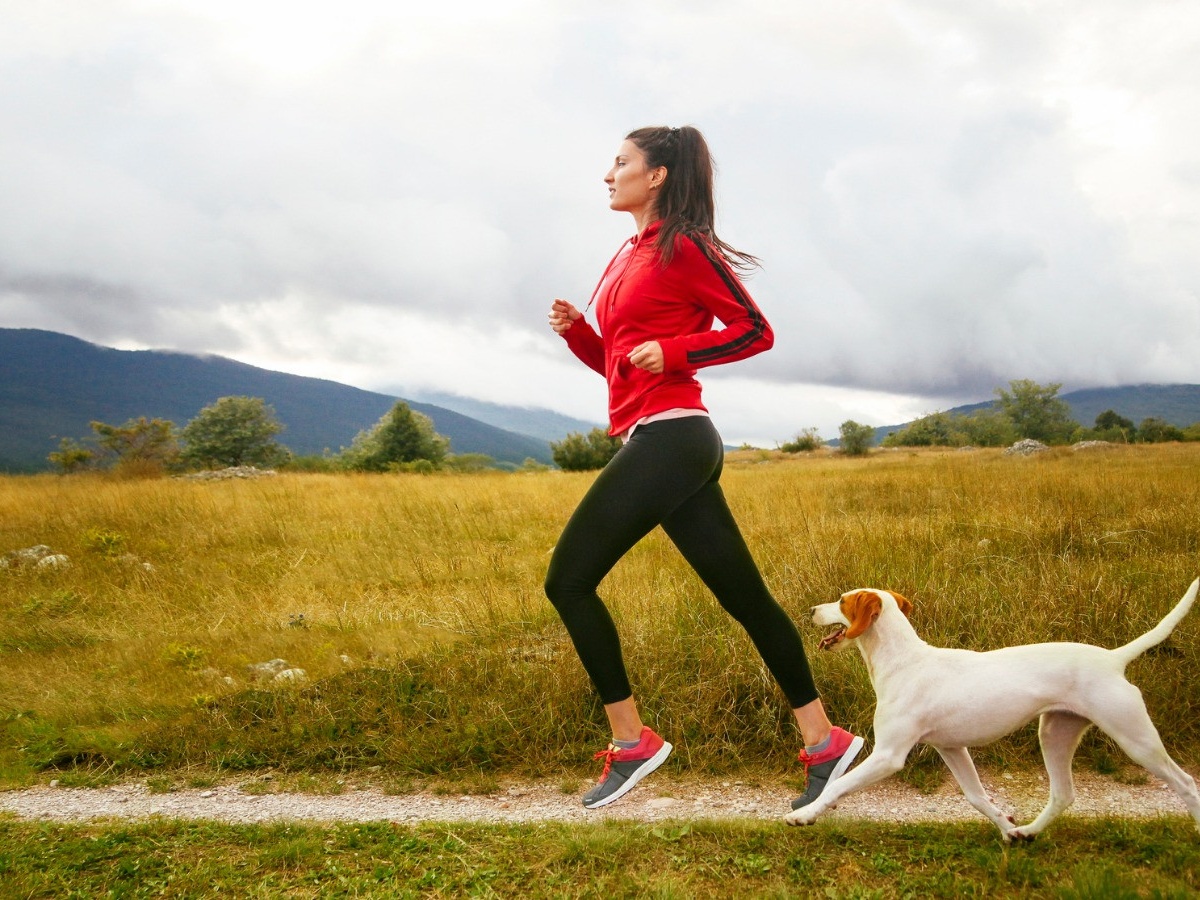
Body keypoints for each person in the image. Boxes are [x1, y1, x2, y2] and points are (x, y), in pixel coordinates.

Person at [544, 125, 864, 811]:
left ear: (656, 174)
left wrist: (679, 351)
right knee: (746, 600)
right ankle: (825, 741)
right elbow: (619, 365)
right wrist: (580, 331)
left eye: (621, 162)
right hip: (652, 435)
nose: (609, 173)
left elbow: (753, 329)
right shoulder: (626, 254)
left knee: (568, 582)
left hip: (674, 437)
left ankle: (632, 743)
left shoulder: (682, 246)